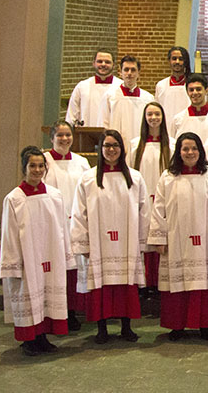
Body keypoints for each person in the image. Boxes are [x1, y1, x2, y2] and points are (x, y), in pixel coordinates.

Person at [70, 129, 148, 344]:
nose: (111, 150)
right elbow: (79, 212)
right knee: (101, 288)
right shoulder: (87, 179)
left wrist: (141, 240)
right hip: (98, 243)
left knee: (125, 286)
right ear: (100, 149)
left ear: (122, 149)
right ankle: (101, 328)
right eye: (107, 146)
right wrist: (82, 242)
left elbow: (144, 210)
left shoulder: (135, 177)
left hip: (126, 242)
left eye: (115, 145)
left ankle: (126, 327)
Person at [148, 133, 208, 341]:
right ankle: (177, 325)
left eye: (194, 148)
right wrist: (159, 238)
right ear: (179, 152)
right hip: (176, 239)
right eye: (185, 149)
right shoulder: (168, 177)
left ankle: (205, 324)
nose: (190, 153)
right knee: (178, 283)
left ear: (200, 151)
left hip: (207, 239)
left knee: (205, 283)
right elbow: (158, 209)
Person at [0, 146, 74, 356]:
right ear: (24, 167)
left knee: (46, 299)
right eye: (32, 165)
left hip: (50, 254)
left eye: (41, 166)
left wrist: (64, 255)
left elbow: (61, 228)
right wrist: (13, 262)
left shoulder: (54, 195)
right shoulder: (14, 199)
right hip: (28, 258)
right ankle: (29, 340)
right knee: (30, 296)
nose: (37, 170)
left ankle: (42, 337)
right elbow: (9, 234)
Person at [42, 120, 91, 330]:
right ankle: (53, 313)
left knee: (73, 270)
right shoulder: (43, 161)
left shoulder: (81, 162)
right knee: (56, 269)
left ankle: (71, 311)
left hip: (75, 223)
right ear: (51, 138)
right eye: (60, 135)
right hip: (52, 223)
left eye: (68, 135)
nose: (64, 139)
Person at [128, 102, 173, 297]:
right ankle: (145, 283)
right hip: (142, 198)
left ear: (163, 117)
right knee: (143, 239)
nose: (153, 118)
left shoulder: (171, 143)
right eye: (149, 114)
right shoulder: (135, 144)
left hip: (164, 198)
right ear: (144, 118)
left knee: (161, 237)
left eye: (157, 114)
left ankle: (159, 282)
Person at [98, 55, 155, 144]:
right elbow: (104, 124)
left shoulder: (148, 98)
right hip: (116, 146)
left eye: (133, 70)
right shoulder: (110, 96)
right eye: (126, 69)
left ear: (138, 73)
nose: (129, 73)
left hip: (140, 144)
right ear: (120, 72)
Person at [66, 49, 121, 127]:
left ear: (114, 65)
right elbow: (72, 116)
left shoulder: (121, 86)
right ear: (93, 63)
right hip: (87, 134)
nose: (103, 64)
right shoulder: (82, 86)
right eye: (99, 61)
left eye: (107, 62)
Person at [170, 73, 208, 142]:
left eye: (198, 89)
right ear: (187, 92)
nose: (195, 93)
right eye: (191, 90)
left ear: (206, 90)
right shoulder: (178, 119)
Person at [154, 46, 191, 117]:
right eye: (174, 59)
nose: (177, 62)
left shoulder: (191, 84)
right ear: (169, 61)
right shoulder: (161, 85)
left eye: (181, 59)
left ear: (185, 61)